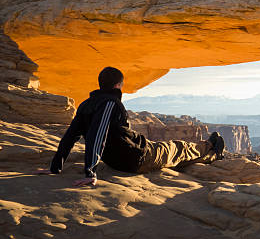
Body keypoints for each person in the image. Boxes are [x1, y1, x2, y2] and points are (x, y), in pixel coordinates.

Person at [38, 66, 224, 187]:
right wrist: (90, 172)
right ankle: (212, 150)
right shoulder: (110, 104)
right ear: (118, 85)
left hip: (118, 159)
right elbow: (98, 134)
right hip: (136, 157)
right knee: (178, 148)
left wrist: (55, 167)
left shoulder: (87, 104)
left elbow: (71, 136)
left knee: (171, 150)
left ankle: (208, 147)